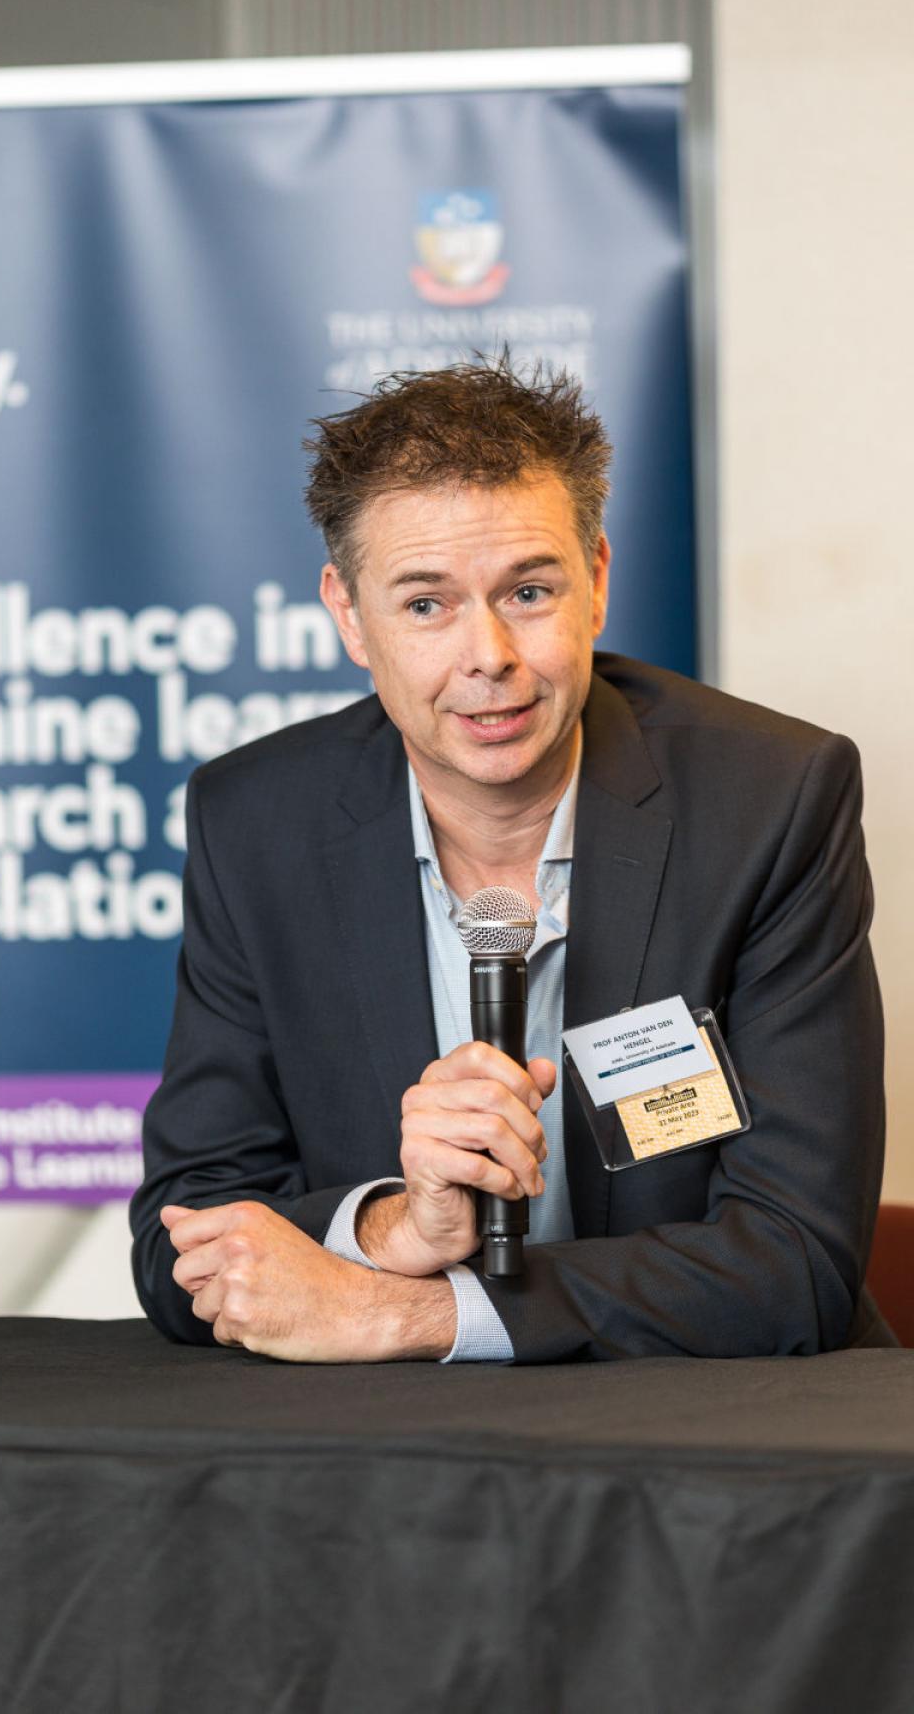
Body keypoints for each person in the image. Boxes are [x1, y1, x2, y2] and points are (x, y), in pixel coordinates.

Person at [129, 359, 891, 1362]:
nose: (487, 654)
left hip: (710, 1435)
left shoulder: (771, 802)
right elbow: (184, 1237)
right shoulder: (259, 823)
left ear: (599, 582)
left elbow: (796, 1263)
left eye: (528, 590)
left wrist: (412, 1315)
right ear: (349, 615)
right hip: (379, 1448)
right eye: (426, 604)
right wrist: (396, 1230)